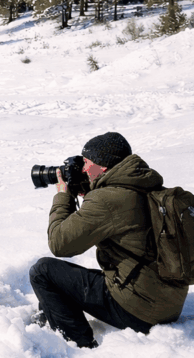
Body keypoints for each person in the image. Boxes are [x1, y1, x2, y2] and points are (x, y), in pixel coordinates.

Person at [29, 132, 188, 348]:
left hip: (139, 310)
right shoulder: (143, 185)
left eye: (86, 162)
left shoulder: (107, 200)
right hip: (169, 303)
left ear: (103, 166)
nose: (83, 169)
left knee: (43, 271)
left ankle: (79, 344)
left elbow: (59, 243)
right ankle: (52, 315)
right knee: (69, 278)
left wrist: (63, 194)